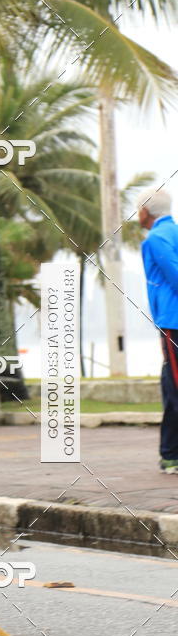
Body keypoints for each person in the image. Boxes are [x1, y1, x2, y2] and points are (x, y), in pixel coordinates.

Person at [138, 187, 178, 473]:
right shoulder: (173, 231)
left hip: (173, 323)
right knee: (169, 384)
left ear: (144, 211)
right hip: (170, 323)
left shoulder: (156, 238)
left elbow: (174, 274)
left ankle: (171, 456)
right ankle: (169, 453)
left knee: (175, 388)